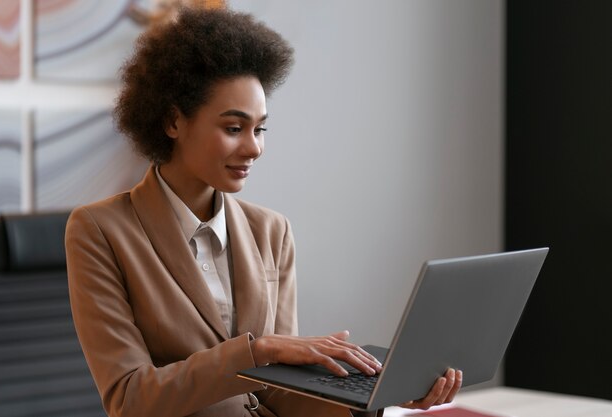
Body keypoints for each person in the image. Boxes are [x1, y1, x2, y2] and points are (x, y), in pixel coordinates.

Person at [65, 7, 462, 417]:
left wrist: (374, 397)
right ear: (172, 121)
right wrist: (259, 351)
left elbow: (279, 390)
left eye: (260, 129)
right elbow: (130, 399)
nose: (254, 148)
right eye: (234, 128)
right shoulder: (100, 230)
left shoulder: (272, 231)